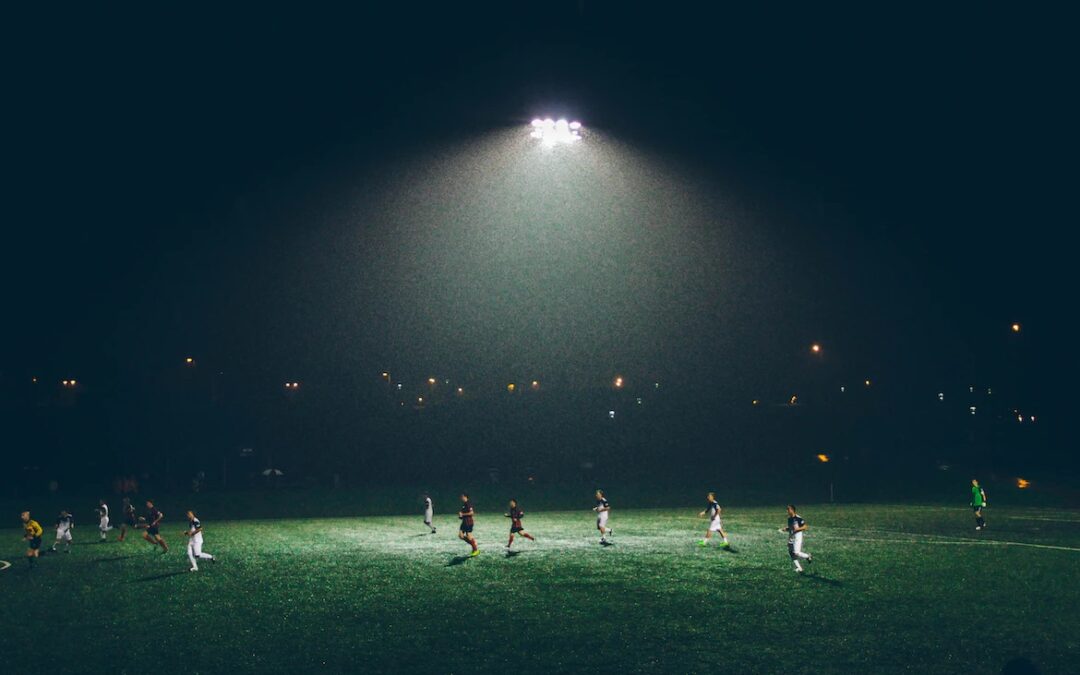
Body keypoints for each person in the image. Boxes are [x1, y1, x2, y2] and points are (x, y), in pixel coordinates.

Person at [779, 505, 812, 573]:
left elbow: (805, 527)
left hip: (797, 536)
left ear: (792, 510)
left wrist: (798, 529)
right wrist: (785, 529)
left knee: (796, 553)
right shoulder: (789, 519)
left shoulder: (798, 518)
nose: (787, 511)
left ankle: (807, 556)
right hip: (791, 537)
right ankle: (799, 568)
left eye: (788, 509)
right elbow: (791, 528)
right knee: (791, 552)